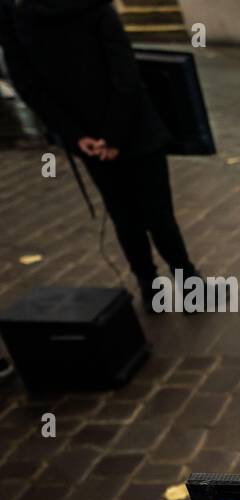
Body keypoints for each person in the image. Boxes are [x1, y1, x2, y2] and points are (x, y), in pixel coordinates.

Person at [0, 0, 199, 312]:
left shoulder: (15, 17)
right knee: (158, 212)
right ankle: (189, 286)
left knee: (123, 214)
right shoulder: (93, 6)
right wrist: (115, 134)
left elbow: (29, 85)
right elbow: (124, 70)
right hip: (134, 126)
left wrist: (76, 134)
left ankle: (150, 288)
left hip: (85, 135)